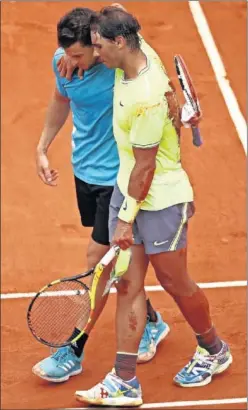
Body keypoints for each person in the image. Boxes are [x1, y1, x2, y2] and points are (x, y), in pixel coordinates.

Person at [75, 7, 233, 407]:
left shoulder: (145, 97)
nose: (96, 56)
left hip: (159, 198)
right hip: (125, 190)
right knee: (127, 281)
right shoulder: (134, 45)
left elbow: (145, 169)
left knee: (175, 282)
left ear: (120, 43)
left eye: (98, 47)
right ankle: (124, 379)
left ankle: (214, 350)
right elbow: (119, 11)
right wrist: (71, 50)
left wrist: (125, 220)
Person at [33, 6, 170, 384]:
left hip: (118, 180)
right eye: (67, 54)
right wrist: (43, 147)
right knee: (116, 263)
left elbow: (126, 20)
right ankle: (152, 322)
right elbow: (61, 101)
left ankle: (73, 349)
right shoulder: (63, 60)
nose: (70, 61)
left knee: (99, 262)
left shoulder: (121, 67)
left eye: (78, 54)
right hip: (86, 173)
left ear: (98, 44)